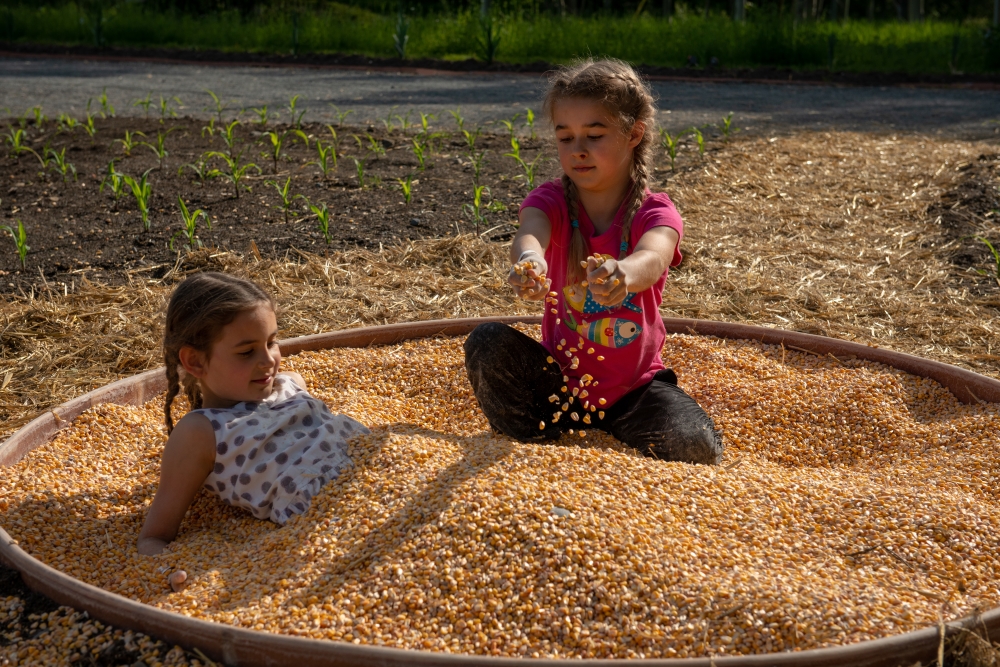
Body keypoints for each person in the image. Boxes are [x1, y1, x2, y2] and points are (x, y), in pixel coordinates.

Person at [464, 58, 722, 465]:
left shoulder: (655, 211)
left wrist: (624, 273)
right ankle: (532, 446)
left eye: (594, 135)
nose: (578, 150)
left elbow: (654, 256)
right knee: (487, 342)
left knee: (697, 447)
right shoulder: (550, 201)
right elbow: (530, 232)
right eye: (565, 138)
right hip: (556, 388)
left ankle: (604, 430)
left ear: (633, 133)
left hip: (634, 391)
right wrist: (530, 260)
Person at [138, 272, 368, 556]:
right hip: (341, 517)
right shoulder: (202, 432)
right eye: (247, 352)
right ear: (196, 361)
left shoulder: (291, 383)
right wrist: (171, 569)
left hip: (381, 462)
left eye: (271, 342)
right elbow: (154, 537)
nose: (269, 360)